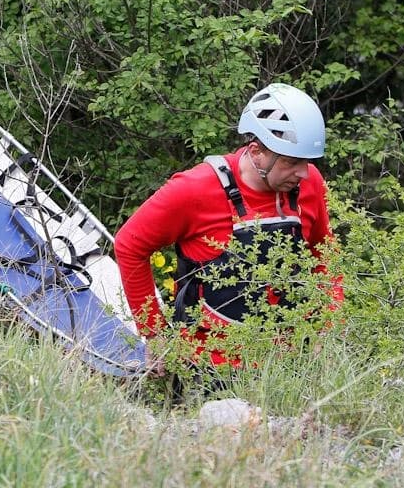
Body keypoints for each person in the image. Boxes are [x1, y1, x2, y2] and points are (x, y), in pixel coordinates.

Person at [115, 83, 342, 370]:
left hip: (290, 367)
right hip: (208, 367)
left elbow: (325, 255)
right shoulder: (194, 189)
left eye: (307, 163)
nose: (302, 172)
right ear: (256, 151)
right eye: (291, 162)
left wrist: (329, 323)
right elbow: (129, 245)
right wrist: (154, 332)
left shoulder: (309, 184)